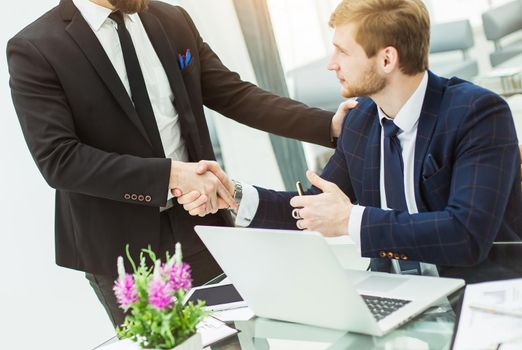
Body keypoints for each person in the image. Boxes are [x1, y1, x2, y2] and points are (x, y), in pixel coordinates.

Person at [6, 0, 351, 328]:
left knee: (232, 341)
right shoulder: (36, 48)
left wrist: (328, 127)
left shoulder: (172, 20)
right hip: (119, 248)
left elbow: (236, 95)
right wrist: (171, 174)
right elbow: (60, 160)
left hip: (201, 226)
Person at [180, 0, 522, 284]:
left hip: (478, 291)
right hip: (395, 290)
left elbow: (465, 235)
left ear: (387, 59)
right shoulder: (360, 121)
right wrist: (234, 196)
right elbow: (315, 207)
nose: (331, 64)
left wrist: (350, 220)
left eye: (343, 52)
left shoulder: (476, 113)